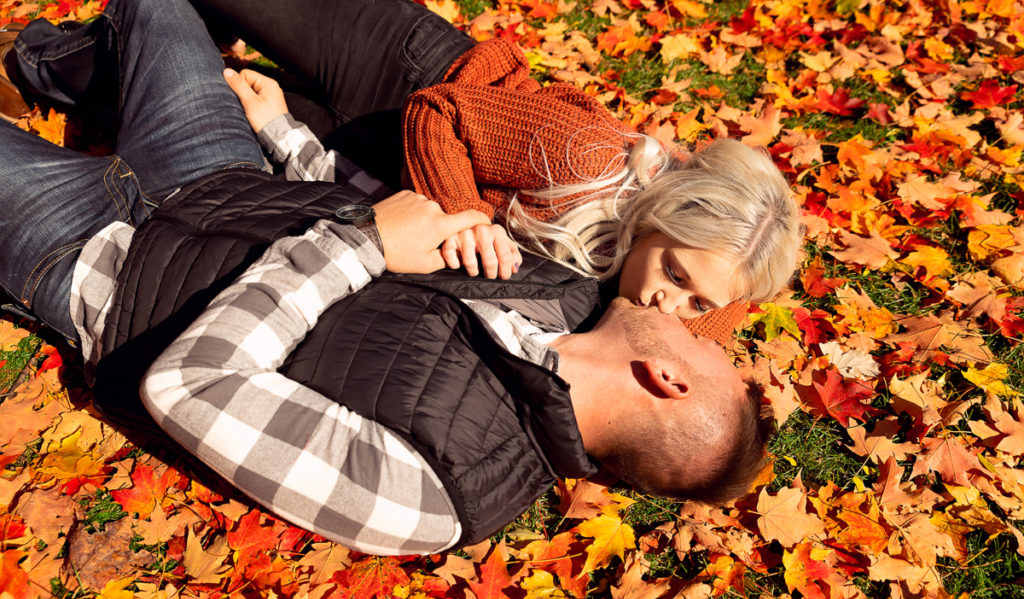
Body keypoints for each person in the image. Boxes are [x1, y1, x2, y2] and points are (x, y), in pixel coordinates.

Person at [0, 0, 773, 555]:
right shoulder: (567, 293)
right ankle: (41, 63)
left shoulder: (436, 494)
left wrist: (364, 247)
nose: (692, 319)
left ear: (665, 376)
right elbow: (386, 210)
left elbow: (191, 387)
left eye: (709, 340)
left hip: (96, 260)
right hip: (220, 166)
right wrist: (282, 136)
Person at [190, 0, 804, 343]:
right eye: (673, 272)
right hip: (412, 75)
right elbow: (437, 114)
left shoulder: (705, 284)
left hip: (371, 154)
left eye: (697, 301)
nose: (669, 306)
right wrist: (468, 220)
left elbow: (720, 310)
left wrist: (701, 313)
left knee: (162, 78)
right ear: (660, 216)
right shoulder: (584, 155)